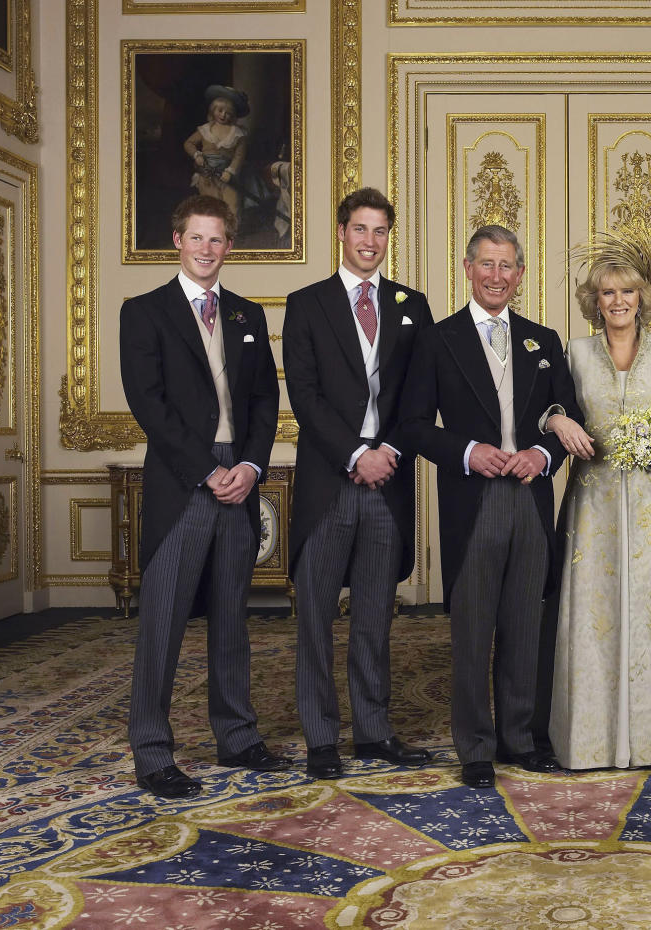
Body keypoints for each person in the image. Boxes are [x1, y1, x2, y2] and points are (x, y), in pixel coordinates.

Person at [400, 225, 583, 789]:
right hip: (472, 499)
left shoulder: (543, 340)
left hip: (529, 499)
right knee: (474, 630)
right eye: (487, 265)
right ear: (467, 267)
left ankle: (520, 739)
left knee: (526, 626)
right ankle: (476, 746)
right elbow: (411, 425)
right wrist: (466, 451)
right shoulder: (438, 339)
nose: (496, 277)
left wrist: (542, 454)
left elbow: (567, 414)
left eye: (507, 267)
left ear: (520, 275)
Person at [120, 194, 287, 799]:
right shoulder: (144, 312)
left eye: (217, 240)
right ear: (176, 240)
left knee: (231, 619)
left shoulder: (246, 314)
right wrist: (205, 470)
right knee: (162, 621)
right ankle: (152, 751)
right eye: (197, 238)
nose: (207, 250)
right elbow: (149, 405)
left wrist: (249, 465)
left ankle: (237, 736)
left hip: (238, 476)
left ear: (229, 246)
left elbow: (266, 399)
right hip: (182, 480)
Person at [283, 188, 435, 780]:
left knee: (375, 617)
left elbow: (419, 393)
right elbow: (306, 395)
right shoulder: (308, 303)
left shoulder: (411, 305)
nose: (370, 241)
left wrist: (389, 451)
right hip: (330, 482)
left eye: (380, 231)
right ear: (341, 232)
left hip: (388, 483)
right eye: (361, 229)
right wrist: (354, 455)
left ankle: (373, 732)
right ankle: (321, 737)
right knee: (316, 617)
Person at [541, 234, 651, 770]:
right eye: (607, 293)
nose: (618, 301)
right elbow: (553, 407)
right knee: (595, 614)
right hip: (594, 506)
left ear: (642, 296)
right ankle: (590, 742)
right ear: (595, 300)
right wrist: (555, 419)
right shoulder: (577, 353)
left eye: (627, 291)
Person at [184, 85, 249, 219]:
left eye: (228, 113)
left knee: (233, 204)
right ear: (213, 110)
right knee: (211, 205)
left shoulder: (238, 133)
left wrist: (230, 171)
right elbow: (188, 143)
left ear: (233, 115)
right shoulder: (205, 129)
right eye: (220, 110)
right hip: (207, 175)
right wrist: (197, 155)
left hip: (227, 176)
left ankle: (230, 234)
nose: (223, 115)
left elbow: (239, 156)